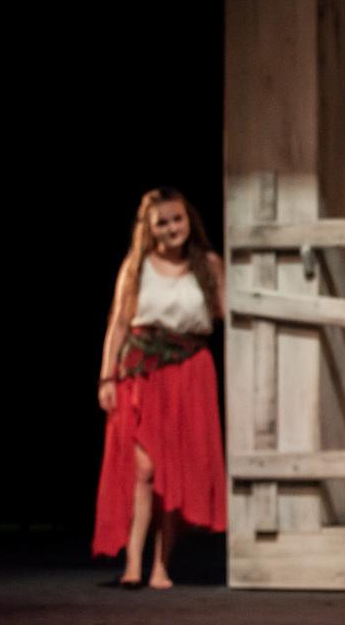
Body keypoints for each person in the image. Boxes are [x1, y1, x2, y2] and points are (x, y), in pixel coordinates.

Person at [93, 187, 227, 589]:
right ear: (149, 229)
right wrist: (106, 377)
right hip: (142, 371)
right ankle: (133, 562)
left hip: (189, 372)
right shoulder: (137, 266)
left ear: (189, 221)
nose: (171, 228)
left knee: (174, 472)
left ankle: (161, 566)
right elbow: (119, 322)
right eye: (162, 223)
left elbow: (225, 314)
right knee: (144, 469)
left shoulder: (208, 264)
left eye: (177, 219)